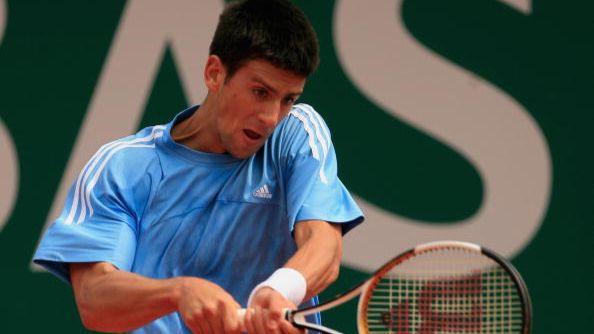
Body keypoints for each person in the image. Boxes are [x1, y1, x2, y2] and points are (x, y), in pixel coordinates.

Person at [33, 0, 364, 333]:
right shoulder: (124, 168)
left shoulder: (295, 133)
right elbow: (94, 298)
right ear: (214, 73)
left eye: (288, 99)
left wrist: (279, 289)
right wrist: (178, 292)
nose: (271, 117)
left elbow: (324, 244)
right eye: (259, 91)